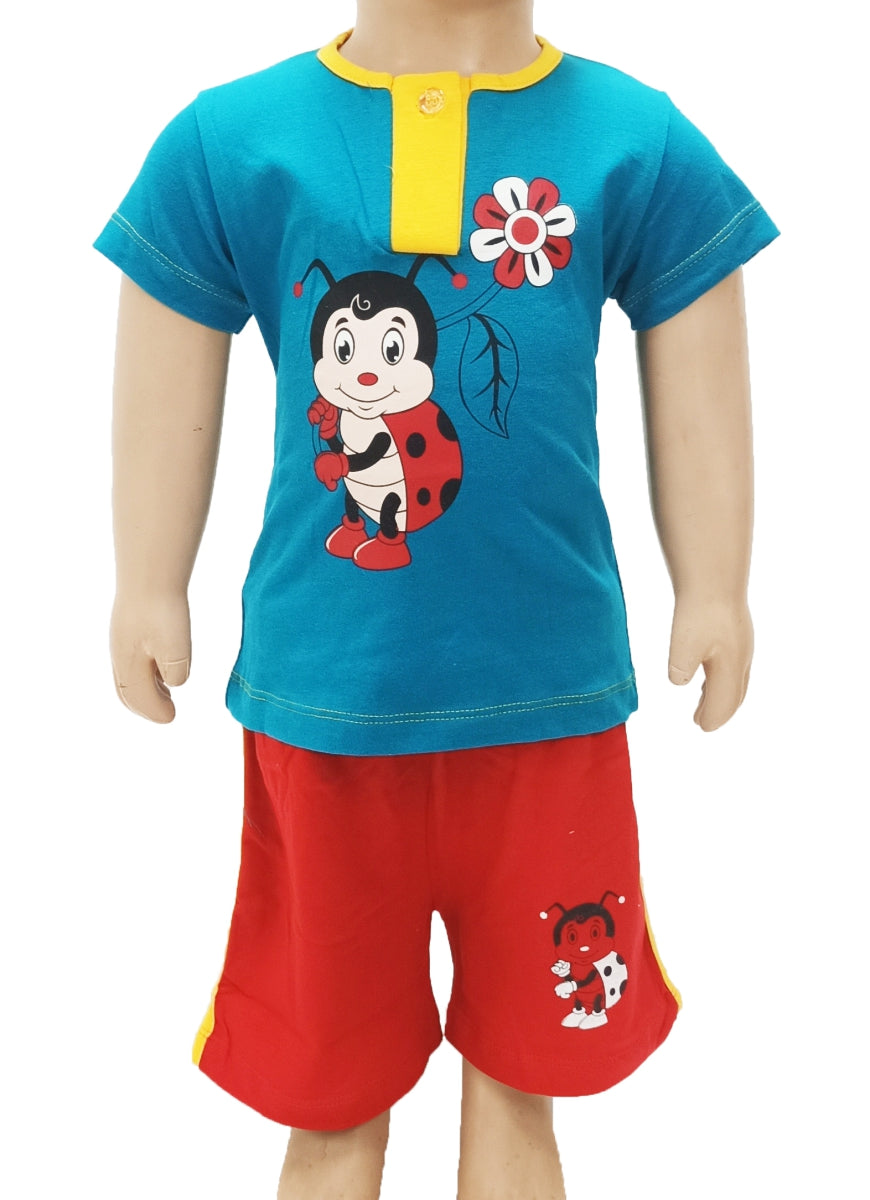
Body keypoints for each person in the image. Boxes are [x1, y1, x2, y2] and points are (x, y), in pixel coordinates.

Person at [95, 1, 778, 1196]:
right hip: (327, 708)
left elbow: (699, 354)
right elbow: (167, 344)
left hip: (550, 709)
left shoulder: (632, 136)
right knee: (332, 1107)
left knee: (521, 1088)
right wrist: (145, 581)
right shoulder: (234, 138)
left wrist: (717, 586)